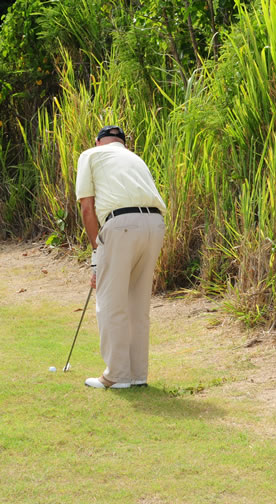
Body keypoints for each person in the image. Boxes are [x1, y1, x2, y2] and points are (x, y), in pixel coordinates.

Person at [75, 125, 166, 389]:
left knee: (111, 302)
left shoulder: (90, 154)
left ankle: (116, 375)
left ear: (98, 141)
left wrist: (96, 249)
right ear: (123, 143)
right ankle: (138, 375)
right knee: (138, 304)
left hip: (122, 224)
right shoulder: (136, 158)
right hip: (155, 225)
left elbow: (87, 208)